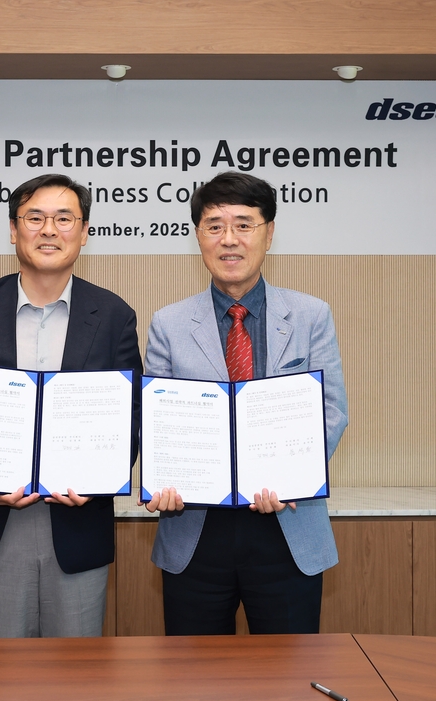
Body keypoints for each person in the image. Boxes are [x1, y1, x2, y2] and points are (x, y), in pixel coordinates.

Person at [0, 173, 141, 638]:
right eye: (35, 218)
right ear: (13, 229)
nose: (49, 230)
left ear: (84, 232)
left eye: (64, 219)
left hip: (79, 522)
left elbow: (132, 416)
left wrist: (99, 478)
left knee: (78, 671)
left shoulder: (114, 315)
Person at [143, 170, 348, 635]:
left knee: (291, 674)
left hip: (287, 524)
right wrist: (163, 475)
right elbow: (156, 425)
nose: (229, 239)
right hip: (195, 530)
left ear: (269, 233)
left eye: (243, 225)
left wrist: (292, 475)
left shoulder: (311, 315)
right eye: (214, 226)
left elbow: (331, 410)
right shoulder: (168, 324)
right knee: (193, 674)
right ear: (198, 236)